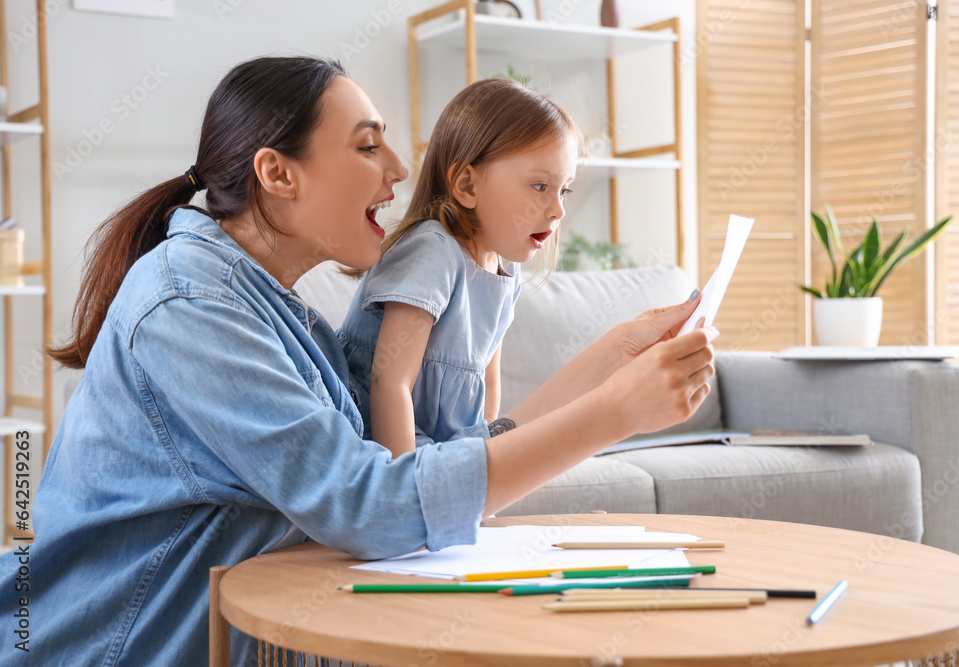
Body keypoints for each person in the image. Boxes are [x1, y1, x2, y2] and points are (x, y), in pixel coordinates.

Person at [0, 56, 716, 666]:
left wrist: (614, 356)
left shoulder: (281, 313)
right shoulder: (190, 306)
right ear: (278, 173)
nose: (402, 170)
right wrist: (613, 413)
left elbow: (420, 463)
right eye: (368, 147)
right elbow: (373, 503)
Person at [340, 78, 576, 457]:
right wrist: (407, 489)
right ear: (467, 185)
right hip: (376, 442)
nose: (558, 209)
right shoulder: (434, 251)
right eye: (539, 186)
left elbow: (487, 385)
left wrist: (480, 464)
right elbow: (390, 381)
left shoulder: (506, 270)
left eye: (564, 189)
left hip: (437, 448)